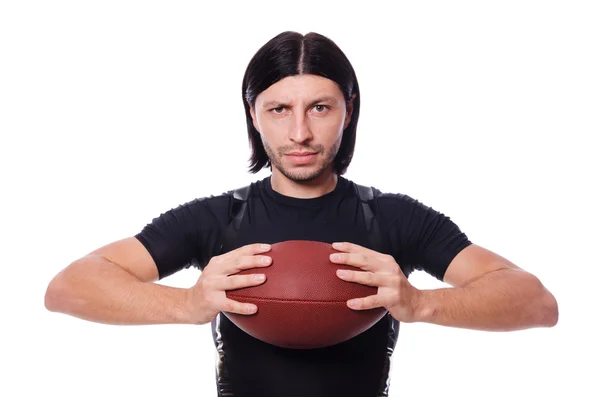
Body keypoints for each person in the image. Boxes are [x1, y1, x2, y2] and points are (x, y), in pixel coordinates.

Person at [44, 31, 559, 397]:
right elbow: (68, 287)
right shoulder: (217, 220)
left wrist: (422, 303)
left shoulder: (395, 220)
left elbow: (537, 303)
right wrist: (186, 303)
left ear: (348, 111)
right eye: (278, 110)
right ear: (253, 114)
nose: (299, 134)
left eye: (319, 107)